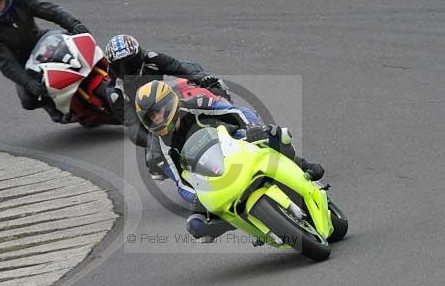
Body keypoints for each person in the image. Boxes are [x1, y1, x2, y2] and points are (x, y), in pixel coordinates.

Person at [134, 80, 324, 240]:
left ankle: (305, 166)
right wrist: (199, 194)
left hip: (234, 141)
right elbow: (181, 184)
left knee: (273, 134)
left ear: (169, 102)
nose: (157, 119)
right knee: (196, 227)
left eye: (158, 111)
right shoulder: (158, 150)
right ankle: (237, 221)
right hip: (207, 176)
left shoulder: (197, 102)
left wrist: (253, 127)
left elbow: (236, 112)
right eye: (151, 116)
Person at [0, 0, 90, 123]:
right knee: (27, 99)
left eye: (0, 2)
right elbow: (6, 63)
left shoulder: (22, 1)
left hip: (43, 41)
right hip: (24, 62)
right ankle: (51, 107)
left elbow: (51, 10)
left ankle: (108, 72)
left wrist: (74, 25)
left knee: (74, 42)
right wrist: (28, 82)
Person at [103, 34, 227, 147]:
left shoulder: (150, 58)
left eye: (130, 64)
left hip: (166, 100)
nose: (126, 71)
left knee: (207, 85)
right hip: (150, 123)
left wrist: (203, 78)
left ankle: (228, 115)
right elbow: (133, 128)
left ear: (139, 56)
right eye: (119, 67)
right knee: (153, 161)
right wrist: (153, 143)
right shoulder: (115, 93)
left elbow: (181, 67)